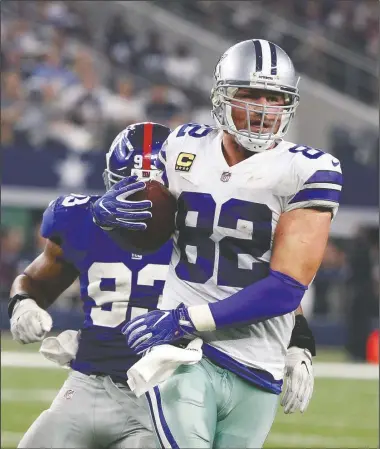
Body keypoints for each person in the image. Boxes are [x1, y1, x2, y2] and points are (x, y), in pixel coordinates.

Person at [106, 39, 341, 448]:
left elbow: (286, 285)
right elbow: (146, 238)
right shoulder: (183, 146)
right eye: (249, 94)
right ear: (221, 97)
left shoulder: (308, 169)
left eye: (274, 97)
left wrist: (298, 340)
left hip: (259, 358)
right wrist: (114, 218)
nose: (262, 108)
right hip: (184, 354)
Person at [8, 122, 173, 449]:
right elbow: (33, 282)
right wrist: (23, 304)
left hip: (165, 395)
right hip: (89, 385)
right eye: (129, 191)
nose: (140, 203)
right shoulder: (82, 220)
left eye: (151, 193)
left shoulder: (205, 236)